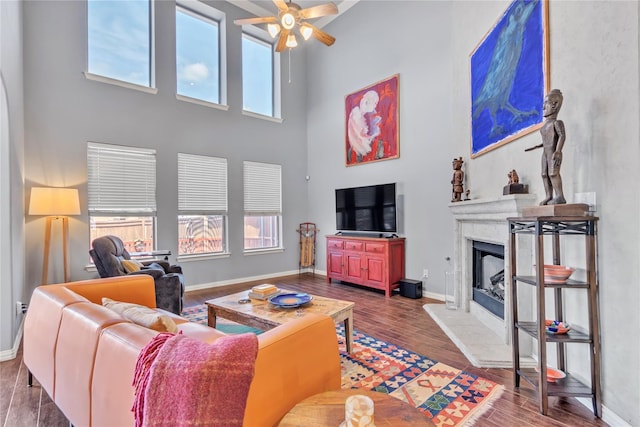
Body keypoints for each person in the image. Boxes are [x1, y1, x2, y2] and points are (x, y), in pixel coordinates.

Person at [538, 89, 566, 205]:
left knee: (553, 173)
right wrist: (540, 145)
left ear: (555, 105)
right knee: (544, 174)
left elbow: (562, 136)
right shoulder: (545, 126)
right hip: (545, 153)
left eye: (546, 103)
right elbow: (548, 139)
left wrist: (558, 150)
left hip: (553, 152)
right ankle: (549, 196)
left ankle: (560, 196)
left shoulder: (557, 123)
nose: (543, 107)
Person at [347, 90, 381, 161]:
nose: (375, 105)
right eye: (373, 102)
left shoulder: (373, 116)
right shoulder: (355, 115)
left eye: (375, 103)